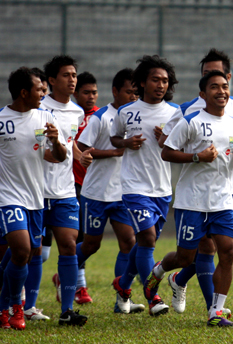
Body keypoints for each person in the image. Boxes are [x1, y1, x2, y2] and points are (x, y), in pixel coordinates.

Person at [0, 67, 67, 329]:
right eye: (40, 89)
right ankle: (17, 309)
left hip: (35, 198)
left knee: (0, 253)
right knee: (22, 251)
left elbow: (60, 157)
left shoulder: (46, 117)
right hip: (6, 197)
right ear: (23, 92)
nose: (44, 93)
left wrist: (55, 142)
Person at [158, 48, 233, 316]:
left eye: (224, 86)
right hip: (192, 200)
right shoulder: (189, 119)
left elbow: (232, 158)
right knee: (186, 257)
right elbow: (166, 151)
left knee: (227, 252)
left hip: (223, 200)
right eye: (213, 86)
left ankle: (216, 310)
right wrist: (197, 156)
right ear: (202, 94)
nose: (221, 91)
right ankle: (160, 271)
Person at [109, 55, 179, 316]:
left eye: (165, 80)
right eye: (155, 79)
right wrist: (127, 142)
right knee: (148, 239)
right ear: (141, 82)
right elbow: (115, 138)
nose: (161, 85)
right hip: (134, 186)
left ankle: (123, 283)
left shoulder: (175, 113)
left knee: (144, 241)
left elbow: (180, 146)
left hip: (162, 188)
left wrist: (168, 141)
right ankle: (152, 296)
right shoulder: (126, 111)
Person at [76, 68, 141, 313]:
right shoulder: (101, 117)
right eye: (128, 92)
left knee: (128, 243)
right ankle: (67, 271)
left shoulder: (137, 116)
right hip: (96, 194)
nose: (133, 96)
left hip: (123, 193)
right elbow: (83, 148)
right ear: (115, 91)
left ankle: (122, 300)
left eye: (136, 92)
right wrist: (114, 152)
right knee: (92, 245)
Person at [40, 55, 88, 326]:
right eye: (66, 75)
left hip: (66, 190)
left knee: (69, 245)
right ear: (51, 81)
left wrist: (80, 155)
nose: (72, 80)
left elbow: (69, 144)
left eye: (74, 75)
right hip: (35, 191)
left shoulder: (78, 112)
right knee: (28, 251)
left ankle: (67, 311)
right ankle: (0, 281)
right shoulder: (39, 108)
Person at [70, 71, 99, 305]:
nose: (91, 97)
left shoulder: (101, 117)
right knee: (41, 249)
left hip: (92, 186)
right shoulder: (68, 116)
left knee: (84, 237)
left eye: (94, 92)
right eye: (86, 92)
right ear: (75, 93)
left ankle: (79, 285)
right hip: (66, 184)